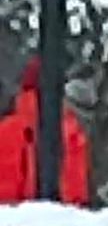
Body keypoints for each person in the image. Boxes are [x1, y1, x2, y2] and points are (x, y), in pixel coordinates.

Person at [0, 55, 93, 205]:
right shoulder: (74, 131)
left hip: (14, 222)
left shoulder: (7, 130)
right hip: (66, 222)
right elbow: (78, 193)